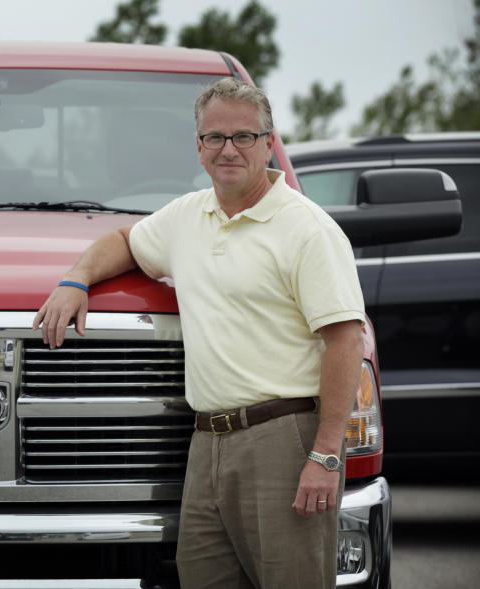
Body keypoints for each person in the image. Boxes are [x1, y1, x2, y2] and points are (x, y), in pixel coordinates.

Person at [32, 77, 365, 588]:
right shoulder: (189, 216)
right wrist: (76, 279)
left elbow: (345, 341)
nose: (228, 149)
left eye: (244, 137)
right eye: (215, 138)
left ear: (268, 142)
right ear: (199, 147)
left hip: (285, 438)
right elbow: (124, 239)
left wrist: (325, 455)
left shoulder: (309, 231)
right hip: (206, 441)